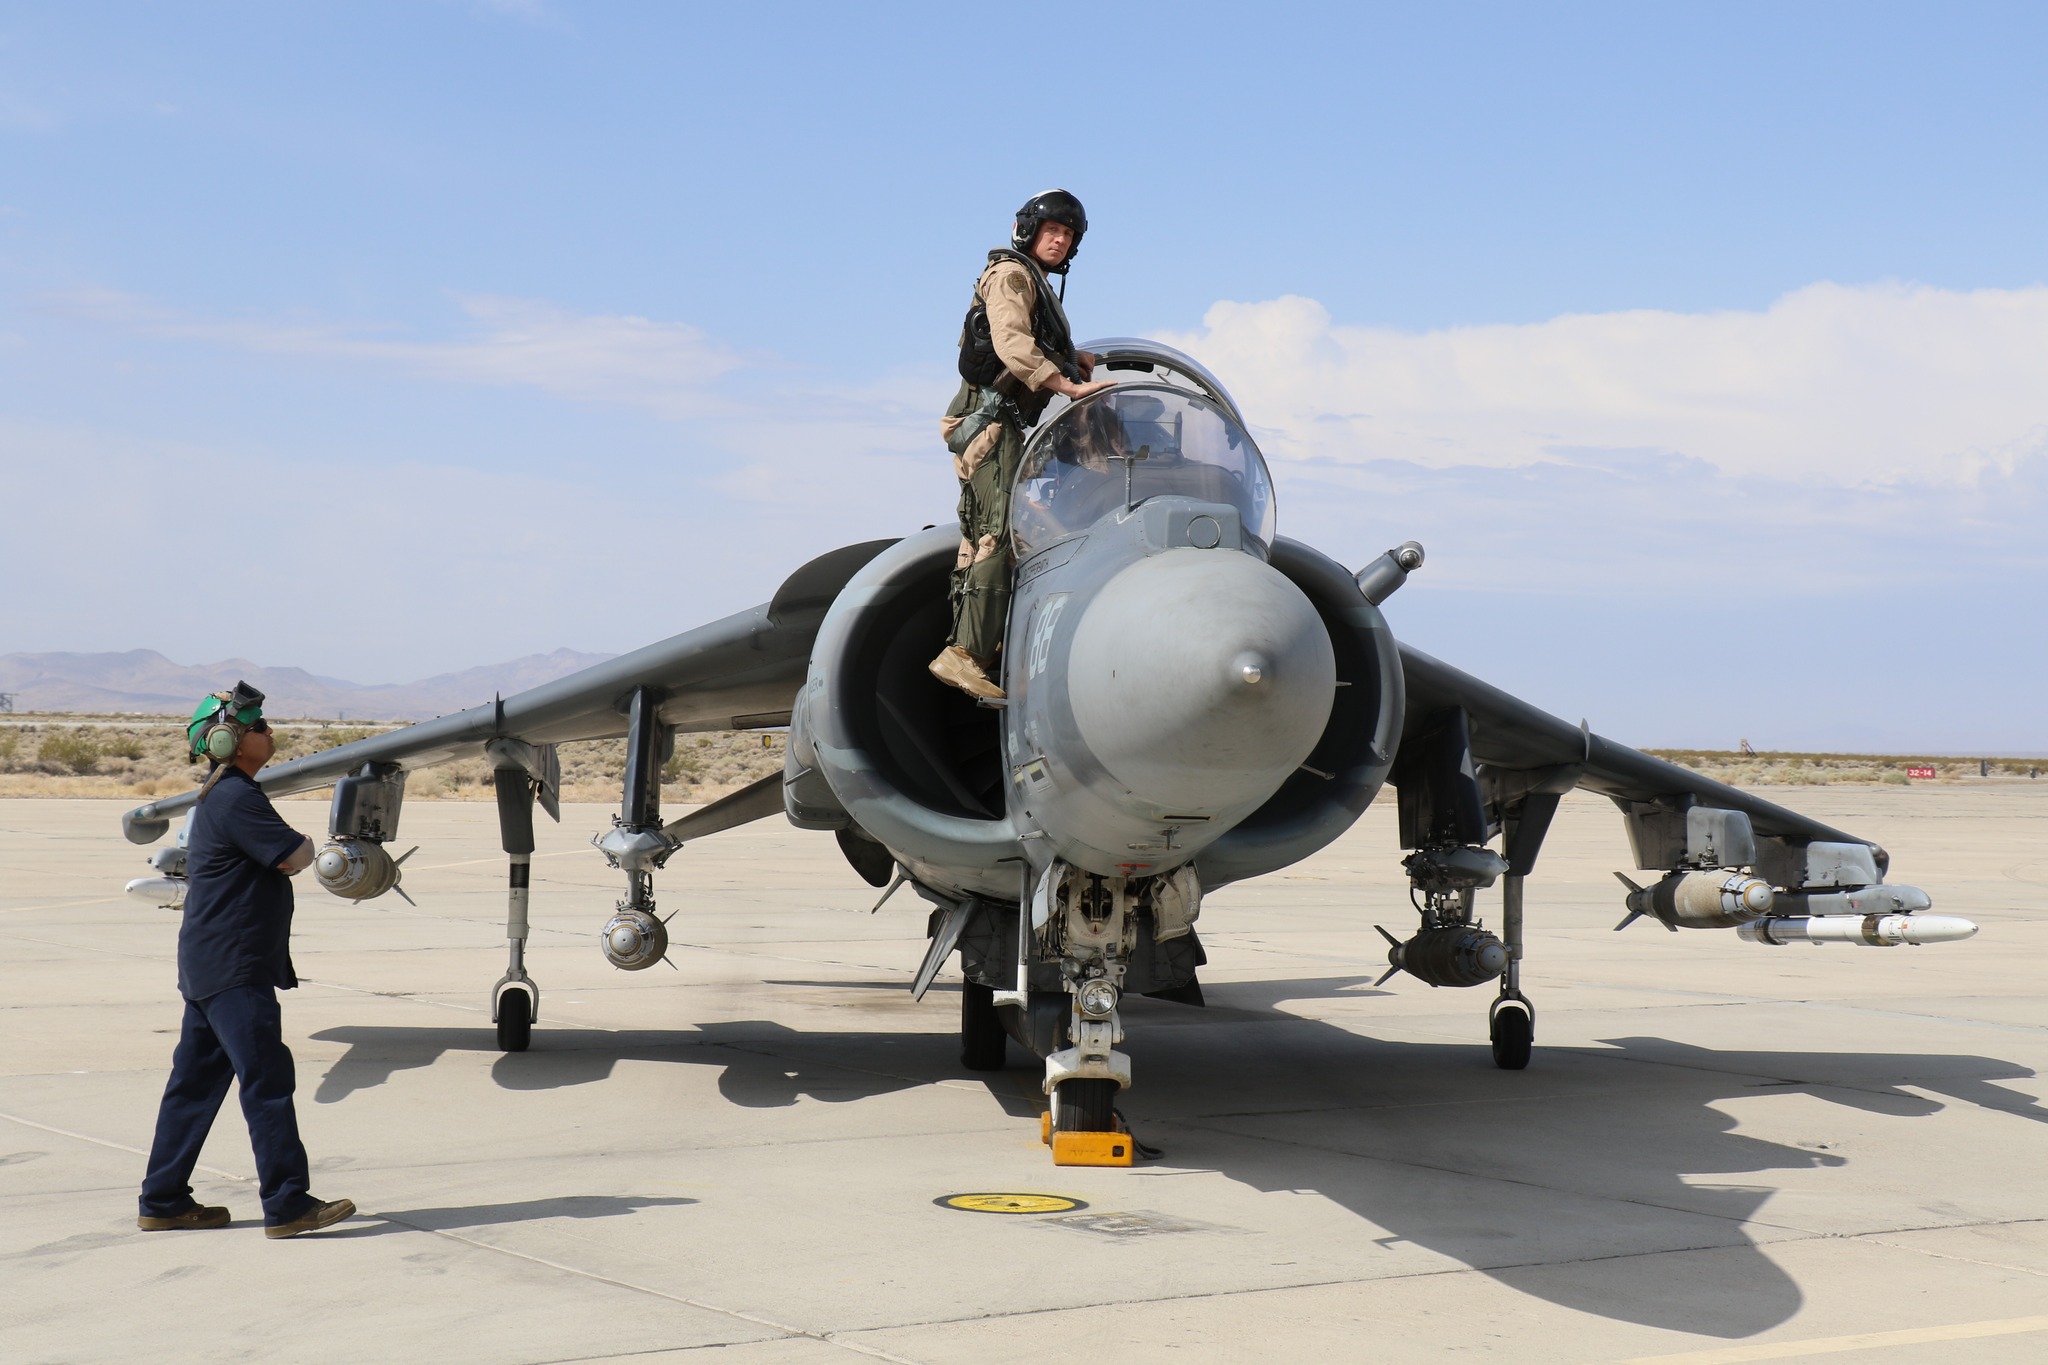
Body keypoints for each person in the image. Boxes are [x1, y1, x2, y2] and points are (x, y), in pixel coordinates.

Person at [137, 682, 355, 1238]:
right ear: (227, 738)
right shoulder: (236, 796)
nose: (269, 731)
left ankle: (162, 1200)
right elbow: (294, 855)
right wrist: (305, 843)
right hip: (235, 967)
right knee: (266, 1079)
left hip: (211, 963)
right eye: (258, 726)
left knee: (193, 1086)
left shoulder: (223, 795)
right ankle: (288, 1204)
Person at [929, 188, 1115, 700]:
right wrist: (1069, 387)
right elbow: (1012, 345)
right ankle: (964, 655)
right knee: (996, 533)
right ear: (1029, 231)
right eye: (1052, 231)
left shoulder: (1033, 283)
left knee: (983, 535)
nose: (1059, 240)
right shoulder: (1011, 276)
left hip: (997, 421)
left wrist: (1071, 360)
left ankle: (972, 651)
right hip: (989, 421)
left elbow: (1034, 343)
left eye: (1067, 235)